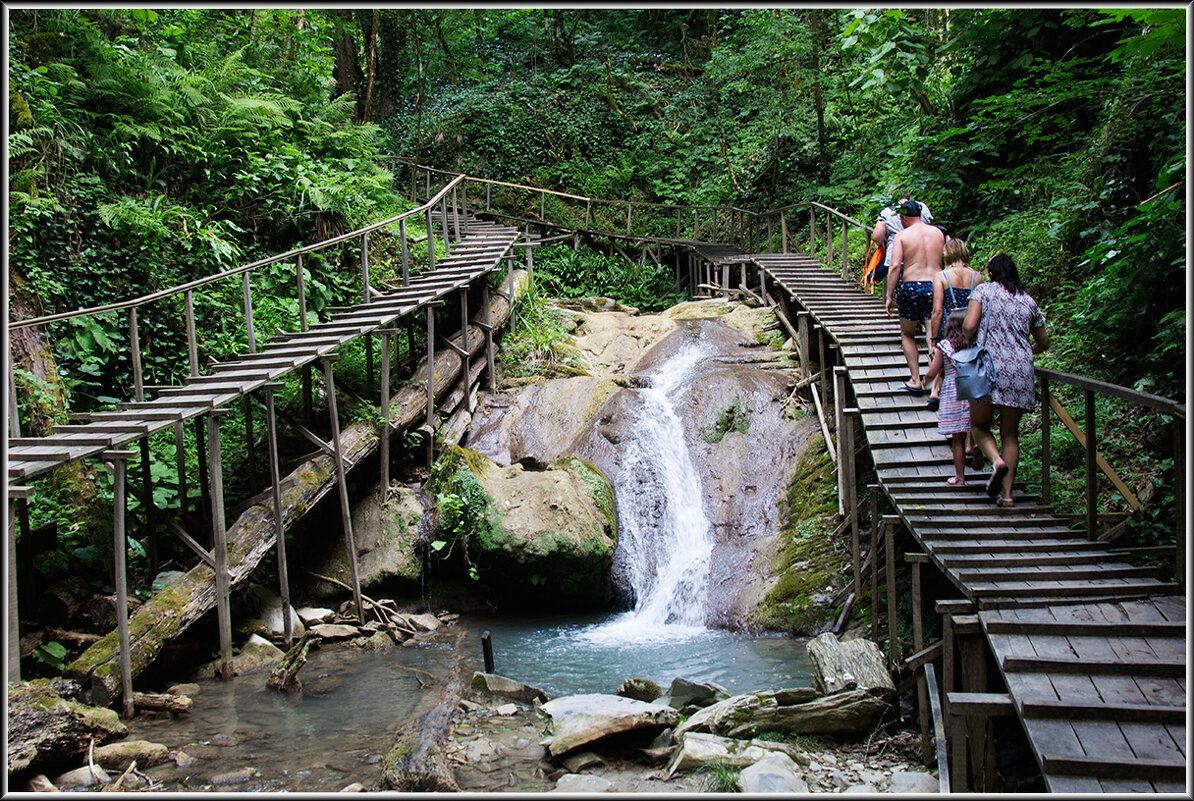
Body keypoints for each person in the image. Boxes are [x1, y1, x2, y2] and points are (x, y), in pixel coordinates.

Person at [963, 253, 1049, 506]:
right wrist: (1023, 354)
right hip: (1020, 370)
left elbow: (969, 326)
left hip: (989, 367)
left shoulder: (983, 292)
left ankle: (996, 461)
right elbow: (1044, 342)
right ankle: (1008, 496)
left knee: (979, 426)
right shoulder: (1028, 301)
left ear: (991, 273)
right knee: (1011, 435)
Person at [884, 200, 946, 394]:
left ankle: (915, 380)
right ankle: (935, 384)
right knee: (932, 335)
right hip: (936, 285)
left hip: (911, 286)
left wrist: (889, 295)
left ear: (903, 217)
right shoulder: (938, 233)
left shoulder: (902, 236)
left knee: (907, 334)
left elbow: (894, 266)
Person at [927, 238, 983, 408]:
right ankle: (967, 398)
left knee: (946, 361)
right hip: (971, 327)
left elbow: (937, 310)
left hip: (949, 327)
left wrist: (934, 338)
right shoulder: (978, 277)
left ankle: (940, 395)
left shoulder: (941, 277)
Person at [922, 310, 972, 485]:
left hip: (953, 391)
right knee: (977, 429)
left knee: (957, 438)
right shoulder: (972, 344)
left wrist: (925, 381)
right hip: (974, 388)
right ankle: (975, 447)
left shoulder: (944, 346)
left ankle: (960, 478)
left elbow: (934, 371)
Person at [870, 190, 933, 286]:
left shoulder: (887, 211)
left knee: (900, 285)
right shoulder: (922, 207)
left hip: (897, 255)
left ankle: (891, 297)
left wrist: (883, 242)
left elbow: (877, 236)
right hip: (923, 252)